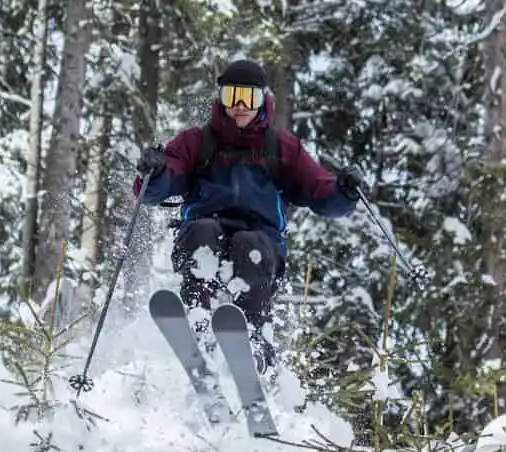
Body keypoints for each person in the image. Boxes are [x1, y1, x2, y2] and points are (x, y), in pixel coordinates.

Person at [134, 58, 362, 372]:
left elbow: (319, 190)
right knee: (202, 231)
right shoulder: (196, 143)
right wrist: (156, 171)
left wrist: (343, 191)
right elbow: (157, 185)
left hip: (261, 242)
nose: (240, 105)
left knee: (249, 244)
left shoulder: (281, 147)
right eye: (232, 96)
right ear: (221, 99)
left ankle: (254, 341)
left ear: (262, 100)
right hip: (204, 231)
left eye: (249, 97)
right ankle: (197, 320)